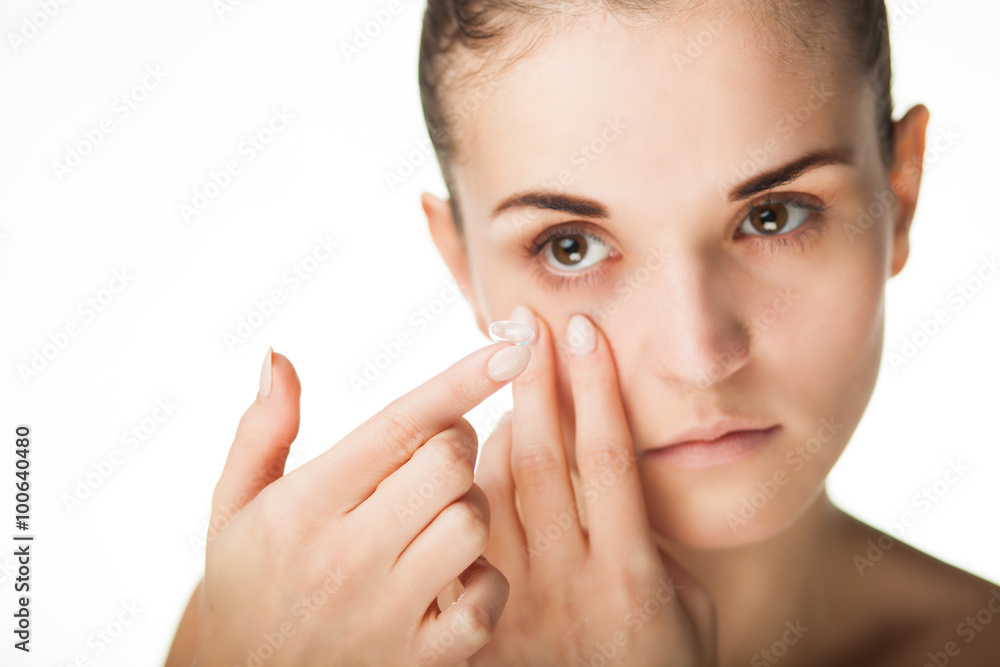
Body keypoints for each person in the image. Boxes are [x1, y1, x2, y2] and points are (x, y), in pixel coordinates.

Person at [167, 0, 1000, 665]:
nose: (699, 355)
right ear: (461, 263)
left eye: (774, 216)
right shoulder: (301, 632)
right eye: (572, 247)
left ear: (903, 192)